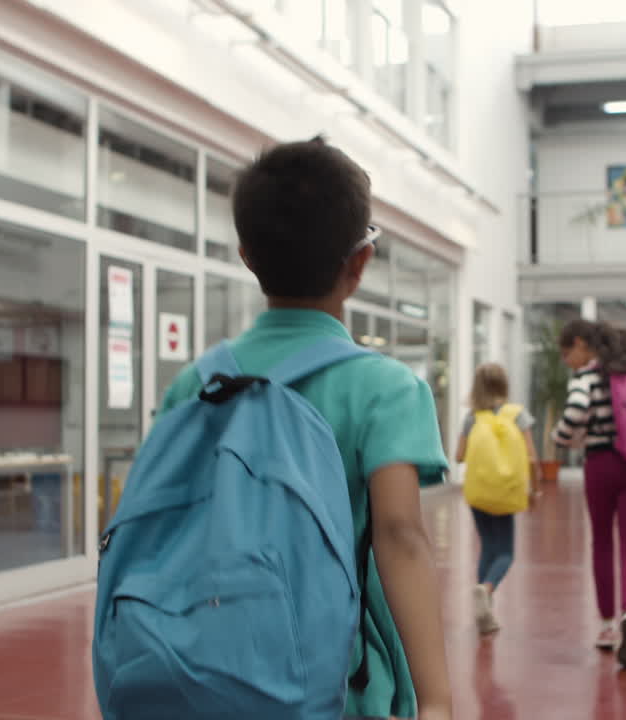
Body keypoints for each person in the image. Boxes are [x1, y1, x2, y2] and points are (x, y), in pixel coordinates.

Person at [155, 136, 452, 720]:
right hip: (344, 683)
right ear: (360, 262)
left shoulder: (194, 385)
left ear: (247, 255)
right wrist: (437, 699)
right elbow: (399, 536)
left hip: (210, 672)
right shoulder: (386, 389)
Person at [551, 319, 626, 670]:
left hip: (599, 465)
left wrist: (562, 438)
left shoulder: (585, 379)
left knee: (602, 542)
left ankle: (606, 626)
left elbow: (573, 415)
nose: (567, 360)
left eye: (567, 352)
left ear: (583, 344)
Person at [455, 362, 540, 635]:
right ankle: (487, 589)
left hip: (478, 490)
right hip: (506, 490)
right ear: (505, 385)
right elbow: (532, 456)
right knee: (505, 552)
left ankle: (485, 612)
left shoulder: (472, 417)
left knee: (487, 547)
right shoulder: (517, 414)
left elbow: (458, 456)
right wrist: (534, 489)